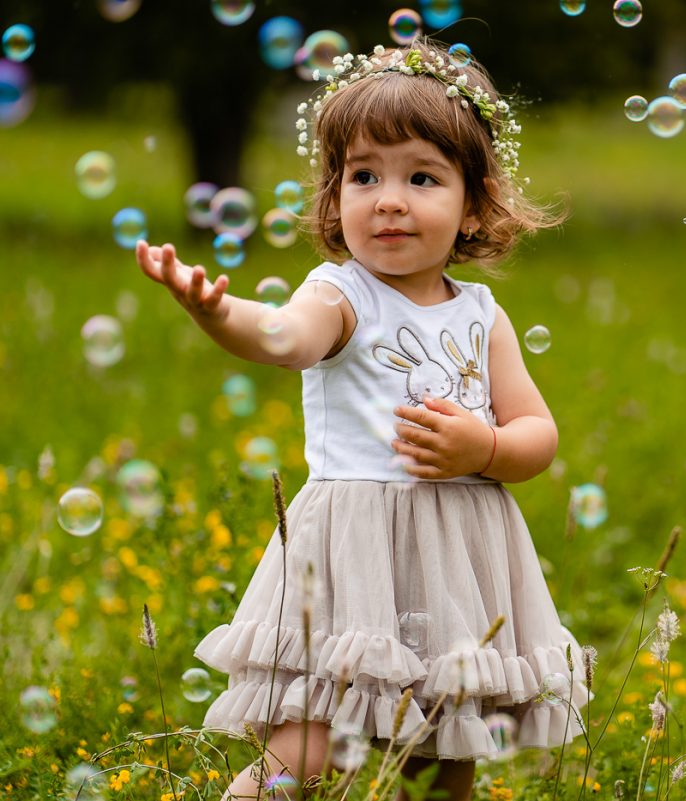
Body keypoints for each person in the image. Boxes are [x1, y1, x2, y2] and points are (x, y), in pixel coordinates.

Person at [135, 38, 586, 801]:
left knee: (447, 750)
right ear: (334, 194)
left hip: (459, 565)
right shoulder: (341, 294)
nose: (389, 198)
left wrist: (486, 447)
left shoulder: (481, 314)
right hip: (354, 561)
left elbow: (536, 435)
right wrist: (218, 311)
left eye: (421, 177)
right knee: (312, 744)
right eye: (364, 175)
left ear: (473, 202)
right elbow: (283, 336)